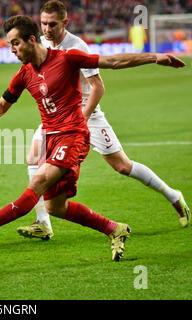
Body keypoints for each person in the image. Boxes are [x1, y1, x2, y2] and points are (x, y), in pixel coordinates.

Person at [0, 15, 185, 261]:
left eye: (15, 43)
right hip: (52, 138)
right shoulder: (24, 74)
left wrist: (154, 57)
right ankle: (114, 229)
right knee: (55, 206)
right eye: (9, 44)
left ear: (31, 40)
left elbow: (113, 61)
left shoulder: (67, 58)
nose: (12, 50)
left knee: (39, 182)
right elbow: (2, 106)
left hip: (73, 135)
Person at [17, 0, 190, 241]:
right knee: (34, 156)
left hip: (87, 113)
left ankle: (173, 195)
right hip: (59, 116)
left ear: (65, 22)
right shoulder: (43, 43)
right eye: (43, 23)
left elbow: (98, 87)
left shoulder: (77, 46)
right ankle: (42, 223)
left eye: (52, 24)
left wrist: (81, 119)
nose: (46, 29)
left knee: (122, 166)